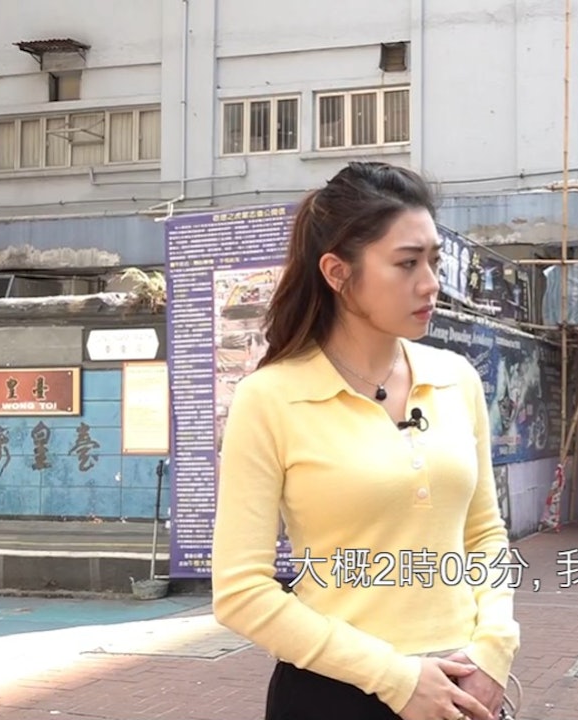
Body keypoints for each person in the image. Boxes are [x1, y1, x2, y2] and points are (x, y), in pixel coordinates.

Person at [210, 162, 518, 720]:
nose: (430, 283)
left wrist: (494, 651)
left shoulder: (456, 379)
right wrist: (395, 677)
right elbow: (240, 591)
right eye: (406, 263)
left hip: (462, 685)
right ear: (337, 272)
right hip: (335, 693)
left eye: (434, 261)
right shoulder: (270, 397)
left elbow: (484, 534)